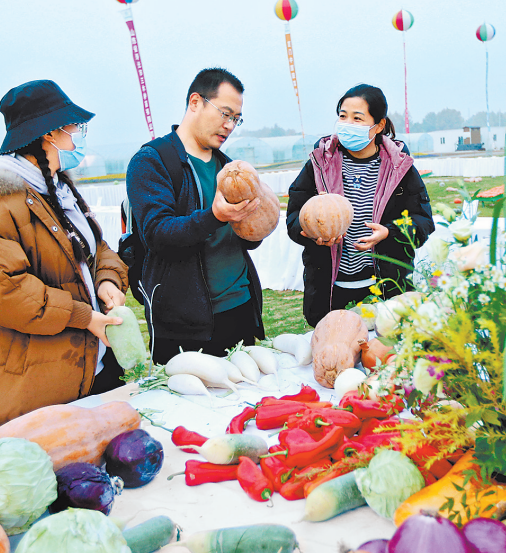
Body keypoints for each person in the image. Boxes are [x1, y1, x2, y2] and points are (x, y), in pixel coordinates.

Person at [0, 80, 129, 430]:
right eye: (75, 128)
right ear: (50, 134)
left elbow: (95, 248)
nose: (79, 136)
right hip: (27, 383)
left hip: (87, 369)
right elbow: (2, 289)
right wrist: (84, 316)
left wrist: (107, 279)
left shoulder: (58, 189)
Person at [126, 68, 265, 363]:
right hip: (185, 322)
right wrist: (214, 216)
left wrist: (255, 224)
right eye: (225, 113)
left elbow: (241, 239)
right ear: (195, 102)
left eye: (236, 119)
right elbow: (157, 233)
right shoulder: (151, 161)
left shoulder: (229, 166)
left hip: (240, 306)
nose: (229, 126)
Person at [286, 84, 435, 327]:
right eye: (343, 117)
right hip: (330, 288)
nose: (347, 124)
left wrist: (390, 233)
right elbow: (294, 217)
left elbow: (423, 222)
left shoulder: (400, 169)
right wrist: (310, 234)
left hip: (385, 285)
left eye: (357, 118)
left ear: (378, 126)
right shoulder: (319, 165)